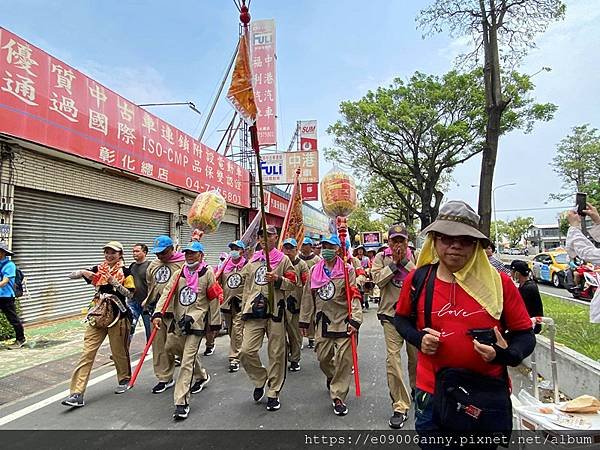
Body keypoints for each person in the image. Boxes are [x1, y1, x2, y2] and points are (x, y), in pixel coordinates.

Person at [394, 201, 535, 444]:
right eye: (447, 238)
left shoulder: (499, 284)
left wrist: (503, 354)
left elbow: (525, 335)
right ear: (435, 240)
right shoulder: (419, 279)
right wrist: (419, 339)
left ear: (477, 245)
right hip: (432, 393)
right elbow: (401, 319)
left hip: (485, 396)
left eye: (465, 239)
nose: (455, 246)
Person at [152, 240, 221, 420]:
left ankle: (181, 402)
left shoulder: (208, 273)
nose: (190, 256)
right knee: (172, 348)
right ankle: (202, 376)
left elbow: (213, 298)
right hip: (178, 323)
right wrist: (158, 313)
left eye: (194, 253)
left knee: (186, 361)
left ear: (201, 255)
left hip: (196, 324)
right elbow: (167, 293)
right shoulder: (179, 273)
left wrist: (215, 323)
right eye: (187, 253)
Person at [61, 241, 135, 407]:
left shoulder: (126, 272)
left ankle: (124, 379)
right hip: (98, 314)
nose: (109, 256)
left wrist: (114, 282)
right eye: (107, 252)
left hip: (119, 315)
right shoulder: (98, 269)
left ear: (120, 255)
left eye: (113, 253)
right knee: (87, 352)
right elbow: (70, 276)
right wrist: (82, 272)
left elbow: (130, 295)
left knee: (118, 352)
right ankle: (77, 393)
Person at [299, 234, 362, 416]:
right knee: (323, 357)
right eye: (324, 246)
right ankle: (331, 376)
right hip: (323, 320)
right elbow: (307, 297)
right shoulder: (315, 271)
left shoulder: (347, 270)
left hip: (343, 319)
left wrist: (356, 319)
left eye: (331, 247)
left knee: (344, 359)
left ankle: (338, 396)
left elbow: (354, 294)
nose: (327, 250)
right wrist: (304, 319)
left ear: (338, 249)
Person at [239, 224, 297, 412]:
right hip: (254, 313)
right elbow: (245, 286)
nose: (264, 239)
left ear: (275, 238)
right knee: (246, 351)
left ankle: (273, 391)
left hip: (276, 313)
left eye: (269, 236)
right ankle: (259, 378)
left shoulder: (283, 261)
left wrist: (278, 280)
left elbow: (293, 283)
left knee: (276, 353)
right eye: (261, 236)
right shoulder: (252, 262)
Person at [371, 224, 418, 429]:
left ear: (407, 242)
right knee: (393, 359)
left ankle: (417, 388)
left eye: (402, 240)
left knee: (416, 358)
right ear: (388, 242)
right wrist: (393, 265)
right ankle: (400, 405)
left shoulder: (415, 256)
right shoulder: (381, 258)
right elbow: (377, 281)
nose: (398, 244)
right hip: (391, 316)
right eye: (394, 240)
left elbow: (420, 278)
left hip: (414, 317)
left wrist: (405, 262)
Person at [142, 235, 185, 394]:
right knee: (159, 346)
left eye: (164, 252)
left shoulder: (182, 263)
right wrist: (148, 300)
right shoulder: (153, 265)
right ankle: (164, 377)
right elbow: (151, 285)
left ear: (172, 249)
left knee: (176, 345)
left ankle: (198, 373)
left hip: (176, 311)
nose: (160, 256)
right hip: (158, 312)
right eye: (157, 253)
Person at [219, 239, 247, 372]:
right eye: (232, 248)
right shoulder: (225, 266)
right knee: (231, 330)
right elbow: (217, 281)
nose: (234, 251)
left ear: (243, 251)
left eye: (237, 248)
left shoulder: (247, 265)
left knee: (237, 329)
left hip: (241, 303)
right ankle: (238, 348)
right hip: (226, 303)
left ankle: (234, 358)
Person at [281, 238, 309, 372]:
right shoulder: (279, 263)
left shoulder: (302, 265)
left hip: (296, 304)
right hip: (281, 304)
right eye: (285, 248)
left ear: (296, 250)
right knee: (280, 335)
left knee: (295, 336)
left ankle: (295, 359)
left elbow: (306, 284)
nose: (288, 251)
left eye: (290, 248)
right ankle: (284, 357)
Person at [0, 243, 26, 349]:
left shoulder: (9, 265)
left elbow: (5, 281)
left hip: (6, 296)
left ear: (3, 253)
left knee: (13, 319)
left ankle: (20, 339)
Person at [299, 237, 322, 348]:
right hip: (299, 290)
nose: (303, 247)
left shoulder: (316, 259)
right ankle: (300, 338)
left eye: (305, 245)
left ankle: (311, 337)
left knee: (312, 314)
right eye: (302, 245)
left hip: (312, 289)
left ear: (310, 246)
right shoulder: (298, 258)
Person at [510, 260, 544, 334]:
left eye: (512, 271)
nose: (510, 274)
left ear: (517, 273)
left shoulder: (528, 288)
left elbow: (518, 307)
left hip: (530, 325)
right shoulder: (527, 285)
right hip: (528, 322)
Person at [128, 243, 151, 341]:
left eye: (137, 251)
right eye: (133, 251)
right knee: (129, 327)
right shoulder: (132, 266)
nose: (134, 253)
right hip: (133, 302)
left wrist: (148, 299)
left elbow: (154, 285)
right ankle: (124, 351)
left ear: (144, 252)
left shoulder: (150, 266)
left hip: (147, 304)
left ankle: (150, 349)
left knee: (149, 328)